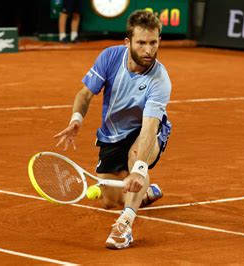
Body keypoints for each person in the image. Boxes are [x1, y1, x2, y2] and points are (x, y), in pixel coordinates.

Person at [54, 10, 171, 249]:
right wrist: (76, 119)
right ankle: (145, 193)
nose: (148, 50)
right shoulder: (109, 57)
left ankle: (125, 226)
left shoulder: (160, 79)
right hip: (111, 134)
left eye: (153, 42)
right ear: (127, 42)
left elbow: (149, 127)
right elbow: (85, 94)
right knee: (109, 202)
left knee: (136, 159)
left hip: (145, 131)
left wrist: (139, 169)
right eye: (141, 43)